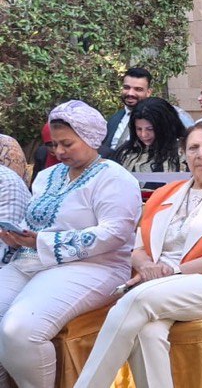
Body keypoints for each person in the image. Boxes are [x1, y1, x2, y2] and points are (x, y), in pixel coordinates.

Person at [75, 122, 202, 388]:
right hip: (160, 285)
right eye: (193, 148)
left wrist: (170, 271)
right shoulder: (163, 195)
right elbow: (138, 249)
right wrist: (147, 268)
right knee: (147, 331)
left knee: (134, 301)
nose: (201, 153)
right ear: (184, 154)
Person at [0, 101, 141, 387]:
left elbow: (114, 233)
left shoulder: (115, 178)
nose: (59, 152)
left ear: (90, 138)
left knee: (21, 329)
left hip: (96, 265)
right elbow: (38, 221)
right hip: (34, 259)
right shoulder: (47, 176)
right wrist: (19, 237)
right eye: (54, 145)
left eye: (67, 144)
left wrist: (44, 241)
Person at [110, 97, 186, 173]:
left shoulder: (183, 152)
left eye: (150, 129)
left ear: (165, 127)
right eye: (139, 129)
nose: (143, 135)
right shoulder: (125, 153)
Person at [102, 67, 155, 154]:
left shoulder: (157, 119)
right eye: (126, 87)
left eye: (138, 89)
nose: (130, 93)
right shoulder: (114, 119)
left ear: (148, 92)